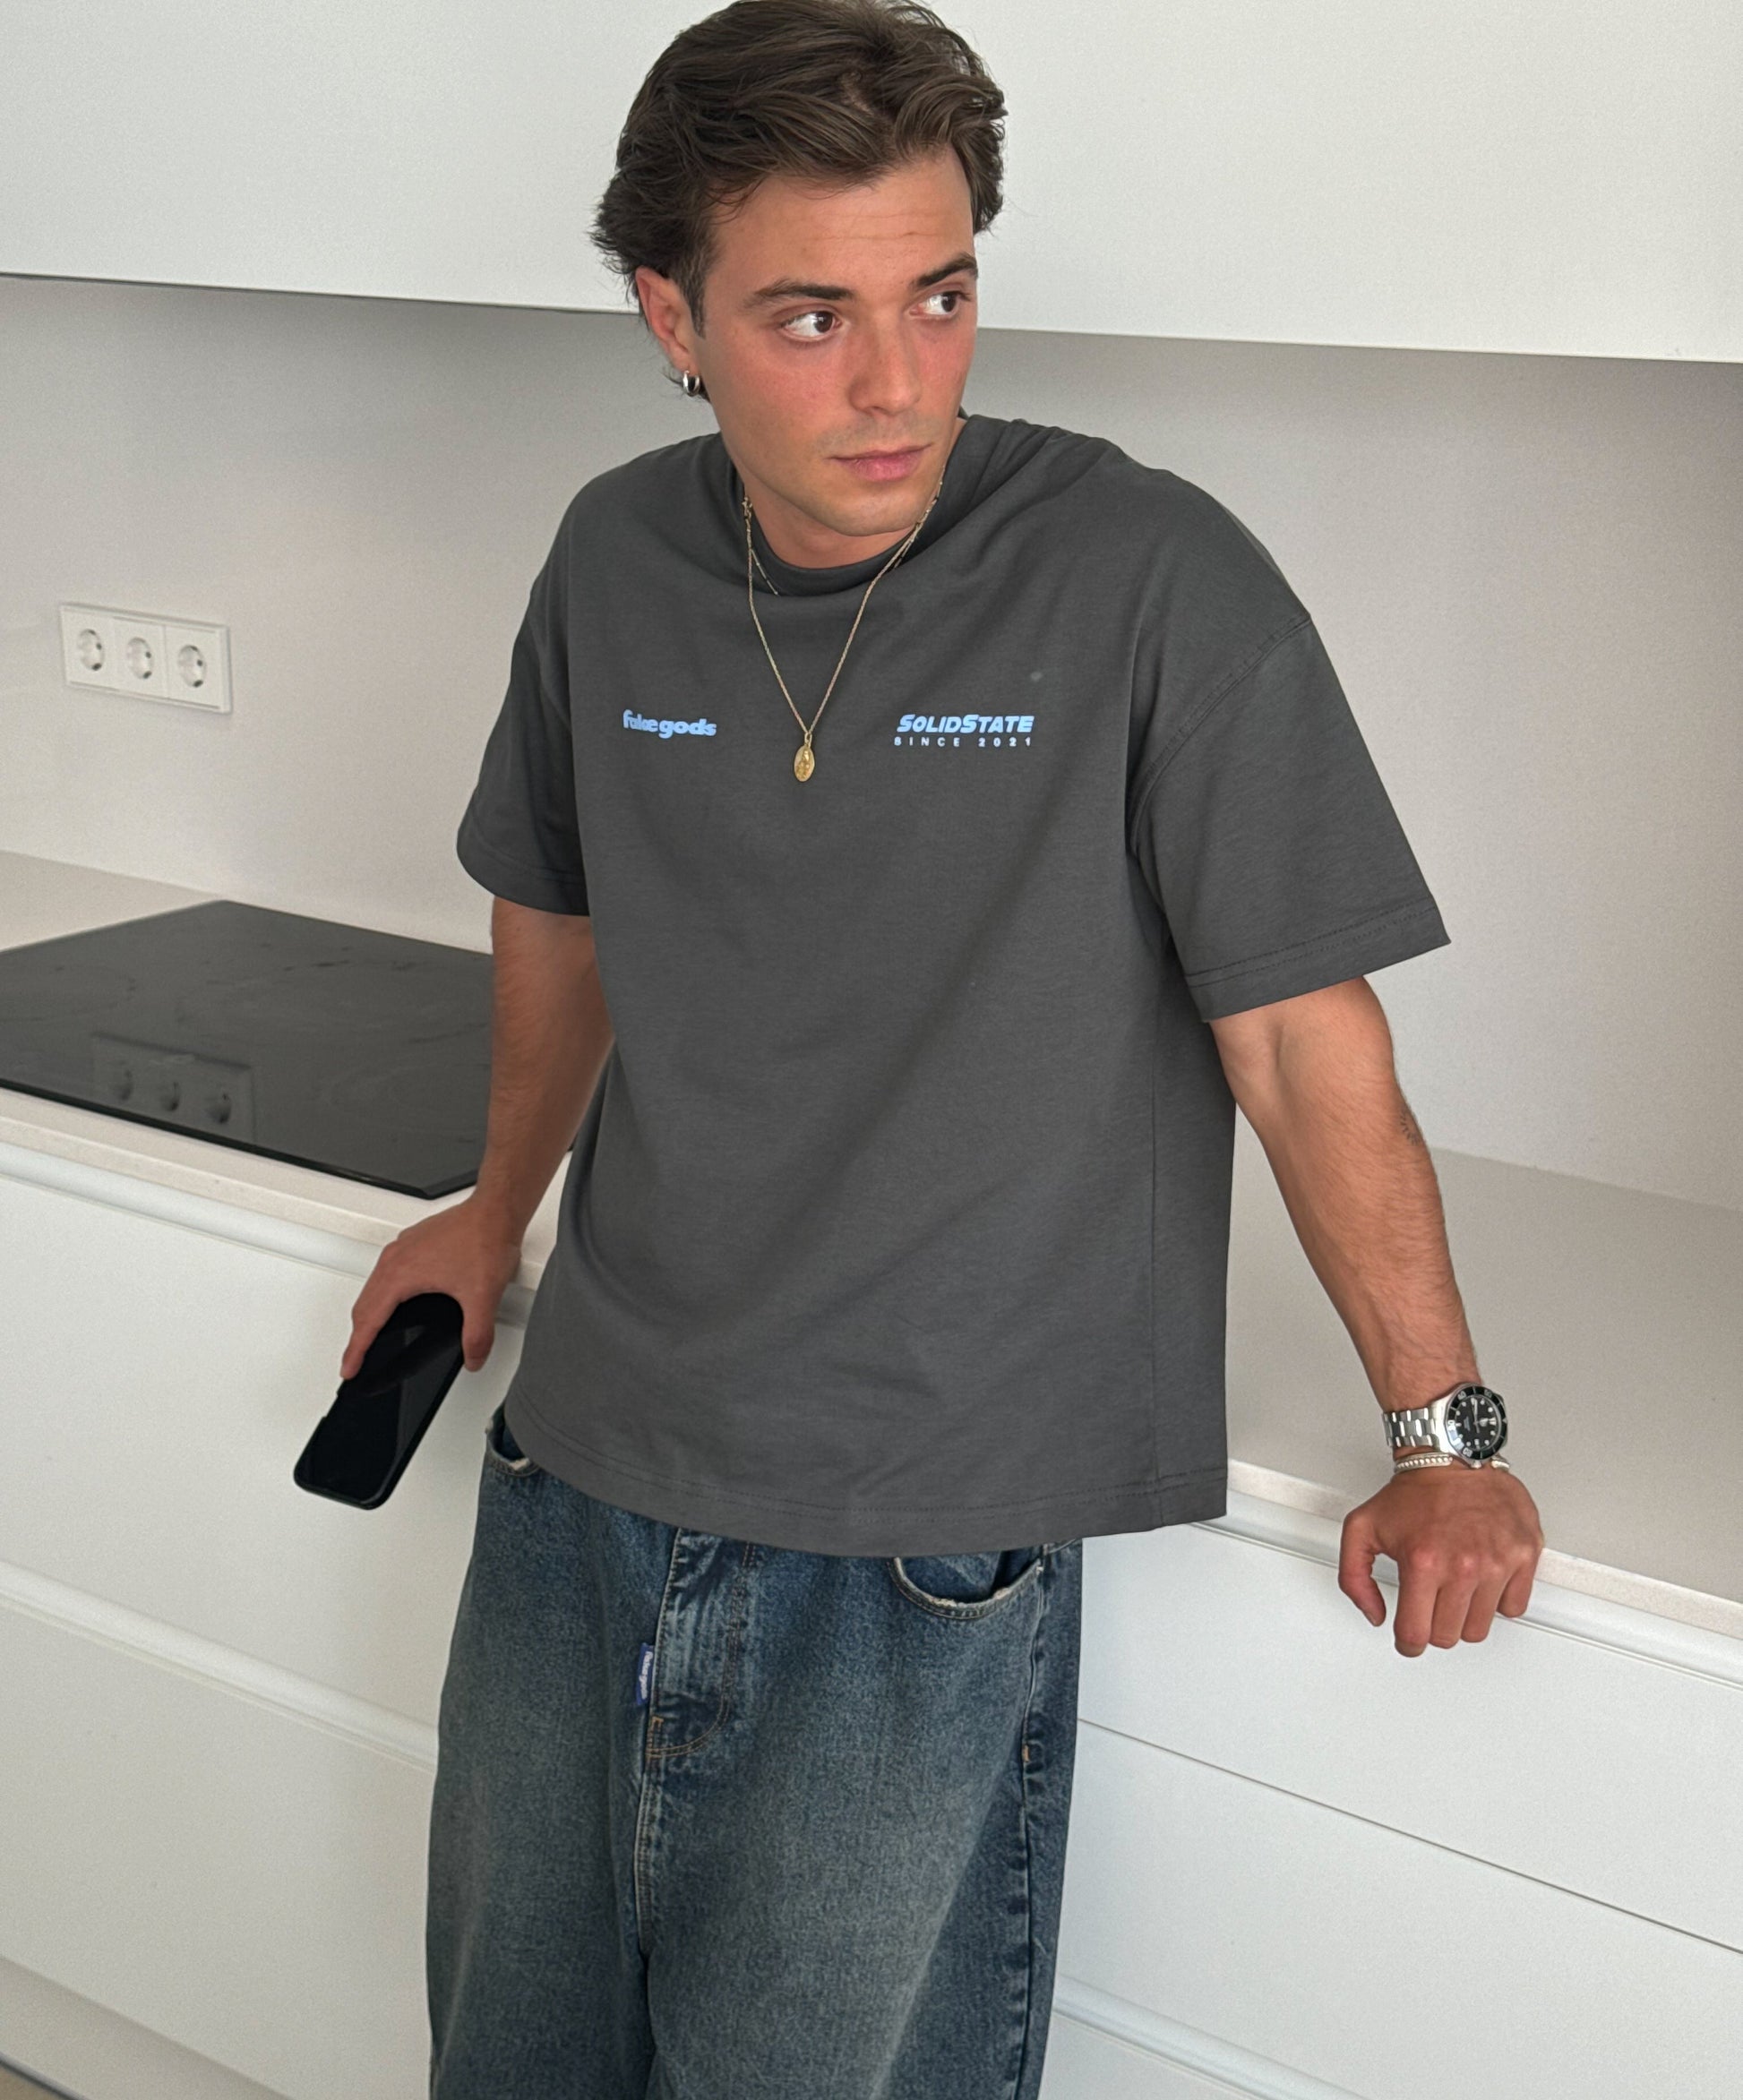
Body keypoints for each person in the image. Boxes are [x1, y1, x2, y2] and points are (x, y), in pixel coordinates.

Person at [339, 3, 1547, 2092]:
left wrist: (1444, 1440)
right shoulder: (613, 555)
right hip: (582, 1469)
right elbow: (563, 921)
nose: (896, 382)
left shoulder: (1152, 579)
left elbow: (1296, 1036)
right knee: (511, 2060)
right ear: (671, 319)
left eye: (941, 295)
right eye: (810, 316)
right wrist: (490, 1207)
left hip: (921, 1532)